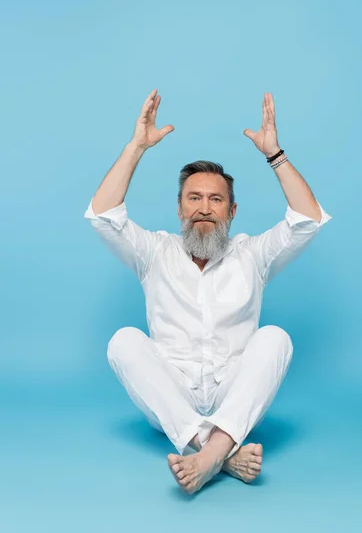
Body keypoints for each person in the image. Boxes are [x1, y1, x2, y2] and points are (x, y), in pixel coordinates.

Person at [84, 88, 332, 495]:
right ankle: (218, 451)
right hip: (171, 396)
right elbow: (104, 217)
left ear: (231, 211)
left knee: (276, 338)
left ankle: (207, 452)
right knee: (123, 341)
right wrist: (136, 147)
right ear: (179, 208)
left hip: (234, 394)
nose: (204, 207)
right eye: (194, 198)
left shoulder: (253, 254)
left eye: (216, 199)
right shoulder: (154, 252)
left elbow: (306, 219)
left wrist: (276, 154)